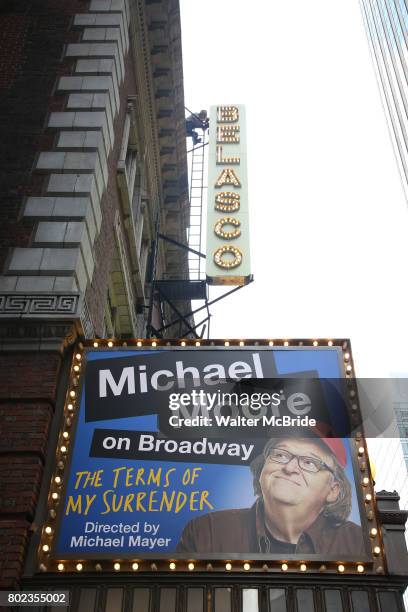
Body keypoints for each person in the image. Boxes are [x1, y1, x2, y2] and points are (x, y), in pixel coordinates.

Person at [176, 431, 364, 555]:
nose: (290, 468)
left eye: (309, 462)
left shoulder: (359, 544)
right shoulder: (207, 532)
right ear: (261, 470)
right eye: (281, 455)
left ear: (333, 491)